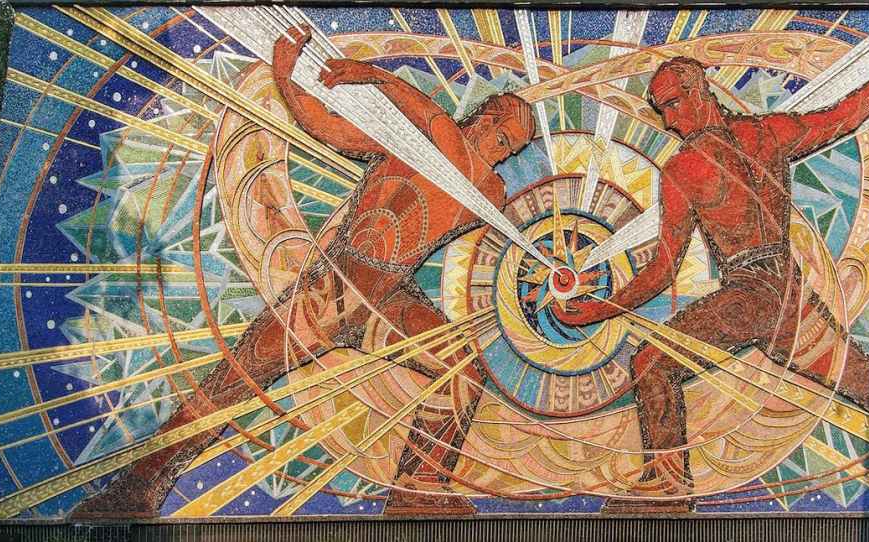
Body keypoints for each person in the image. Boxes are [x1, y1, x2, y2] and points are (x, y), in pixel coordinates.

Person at [72, 25, 535, 518]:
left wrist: (376, 77)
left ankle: (416, 488)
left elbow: (449, 145)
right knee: (234, 381)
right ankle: (136, 489)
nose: (503, 152)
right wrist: (286, 77)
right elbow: (330, 129)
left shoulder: (486, 186)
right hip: (327, 292)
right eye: (502, 136)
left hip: (384, 303)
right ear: (484, 117)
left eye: (511, 149)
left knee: (461, 367)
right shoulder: (412, 141)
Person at [553, 37, 869, 513]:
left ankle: (667, 490)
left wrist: (599, 309)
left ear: (699, 91)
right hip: (787, 293)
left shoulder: (684, 168)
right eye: (662, 110)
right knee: (867, 380)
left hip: (752, 295)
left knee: (651, 364)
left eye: (674, 104)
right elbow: (842, 117)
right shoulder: (768, 133)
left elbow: (664, 268)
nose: (669, 121)